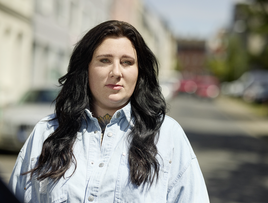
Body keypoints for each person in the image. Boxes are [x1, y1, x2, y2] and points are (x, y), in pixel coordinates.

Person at [9, 20, 210, 203]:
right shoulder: (47, 132)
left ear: (139, 71)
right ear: (86, 68)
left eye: (127, 62)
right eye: (104, 60)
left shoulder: (168, 136)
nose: (116, 72)